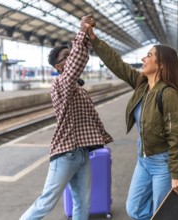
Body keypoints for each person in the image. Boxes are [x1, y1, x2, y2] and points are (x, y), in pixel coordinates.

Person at [85, 19, 178, 220]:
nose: (143, 58)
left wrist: (176, 174)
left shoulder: (168, 94)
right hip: (143, 159)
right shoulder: (142, 85)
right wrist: (93, 38)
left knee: (164, 214)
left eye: (149, 55)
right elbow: (117, 64)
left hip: (163, 162)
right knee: (135, 209)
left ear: (160, 64)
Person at [20, 15, 113, 220]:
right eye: (66, 56)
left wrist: (87, 36)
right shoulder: (61, 84)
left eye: (71, 54)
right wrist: (82, 33)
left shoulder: (78, 89)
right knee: (46, 203)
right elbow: (77, 62)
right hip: (65, 154)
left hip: (82, 153)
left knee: (82, 204)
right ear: (59, 66)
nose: (71, 57)